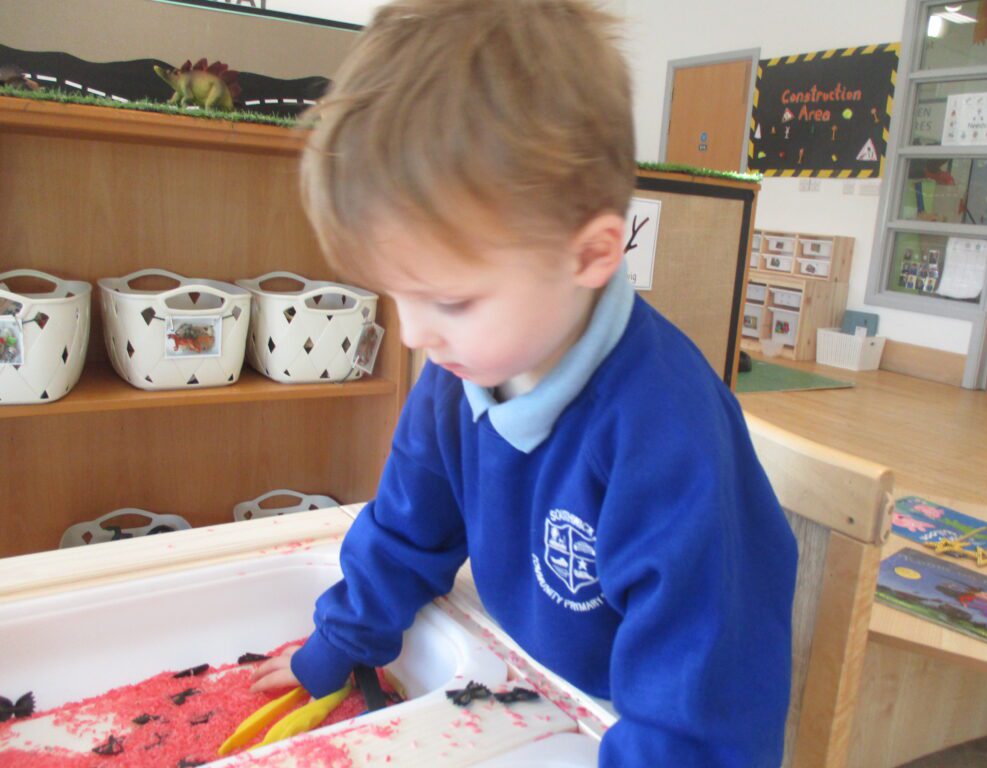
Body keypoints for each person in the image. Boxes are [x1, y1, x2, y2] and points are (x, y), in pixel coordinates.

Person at [251, 1, 798, 764]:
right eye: (397, 295)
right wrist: (340, 642)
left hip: (638, 726)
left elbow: (704, 712)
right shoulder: (460, 374)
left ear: (591, 255)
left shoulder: (668, 436)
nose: (411, 335)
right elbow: (407, 529)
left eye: (451, 301)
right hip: (533, 688)